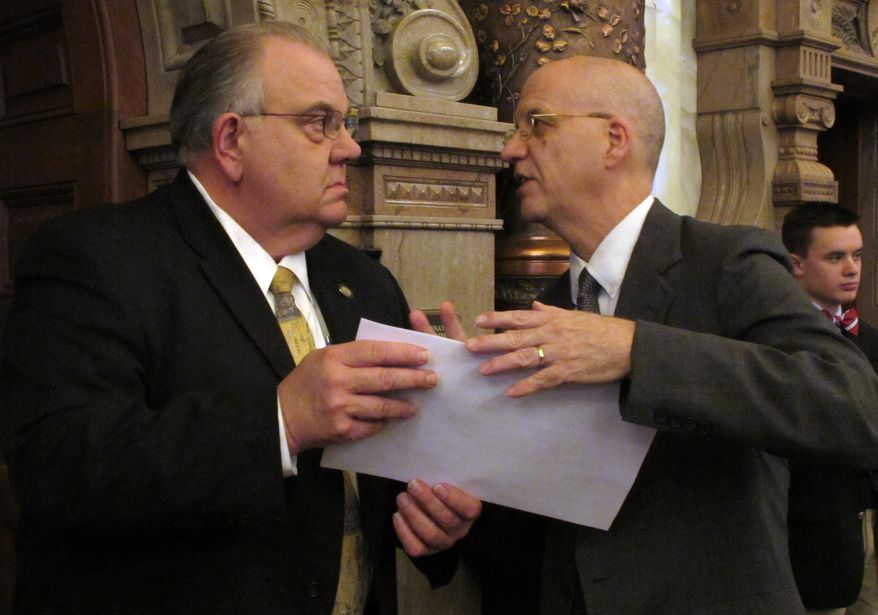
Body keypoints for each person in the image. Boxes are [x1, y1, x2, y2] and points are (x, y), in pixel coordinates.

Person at [0, 21, 480, 614]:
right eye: (320, 122)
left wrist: (440, 503)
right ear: (231, 140)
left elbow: (385, 488)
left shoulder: (367, 281)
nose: (350, 148)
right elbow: (59, 469)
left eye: (346, 123)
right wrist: (280, 421)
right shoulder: (94, 259)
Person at [453, 55, 878, 614]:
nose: (510, 149)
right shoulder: (550, 310)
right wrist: (460, 447)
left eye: (535, 123)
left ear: (614, 140)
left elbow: (855, 405)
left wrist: (633, 349)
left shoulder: (726, 261)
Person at [782, 203, 878, 615]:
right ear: (796, 264)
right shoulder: (775, 340)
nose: (852, 269)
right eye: (835, 257)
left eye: (856, 255)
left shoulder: (870, 339)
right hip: (808, 535)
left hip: (864, 522)